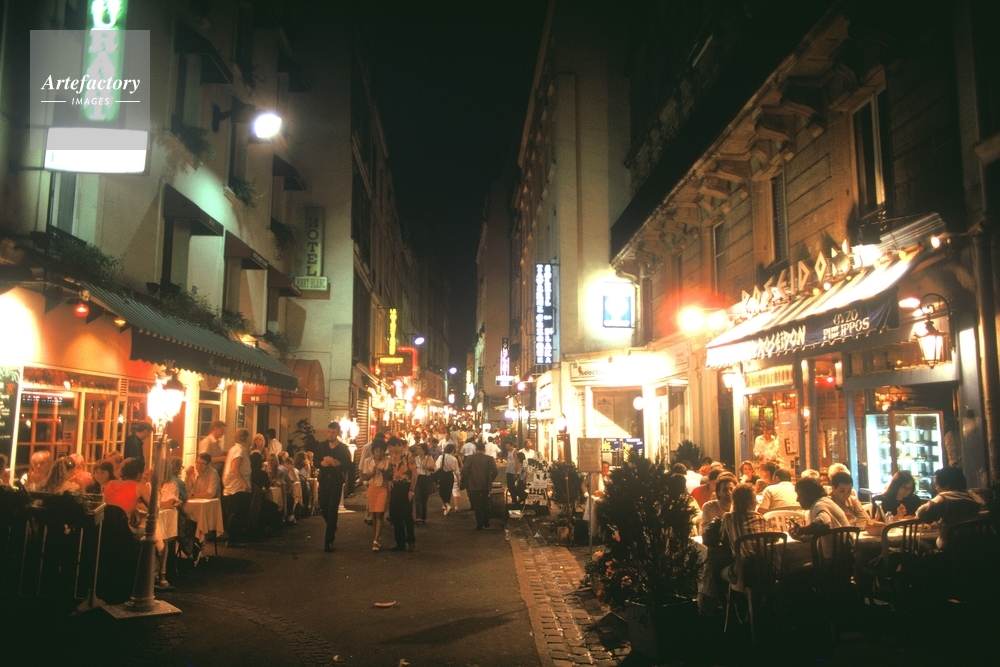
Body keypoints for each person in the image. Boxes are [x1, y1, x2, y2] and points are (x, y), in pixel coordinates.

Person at [915, 467, 985, 549]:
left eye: (936, 485)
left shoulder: (945, 497)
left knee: (918, 542)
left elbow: (922, 513)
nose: (936, 488)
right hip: (979, 545)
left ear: (947, 487)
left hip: (952, 547)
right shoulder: (974, 496)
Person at [719, 484, 769, 584]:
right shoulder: (761, 517)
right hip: (766, 569)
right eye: (754, 499)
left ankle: (732, 593)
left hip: (743, 571)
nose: (756, 502)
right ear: (750, 502)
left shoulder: (728, 517)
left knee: (720, 571)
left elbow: (723, 538)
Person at [316, 422, 353, 552]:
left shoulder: (343, 448)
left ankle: (328, 541)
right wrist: (321, 463)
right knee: (323, 507)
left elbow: (349, 465)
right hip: (324, 480)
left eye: (333, 432)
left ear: (338, 433)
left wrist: (338, 463)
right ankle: (332, 525)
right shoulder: (321, 447)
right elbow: (315, 462)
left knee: (332, 509)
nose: (330, 435)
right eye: (329, 432)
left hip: (336, 481)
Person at [788, 477, 850, 541]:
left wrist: (800, 530)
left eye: (800, 495)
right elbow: (817, 535)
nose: (797, 499)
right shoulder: (824, 502)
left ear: (810, 494)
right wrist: (799, 537)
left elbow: (822, 524)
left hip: (838, 548)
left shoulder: (819, 505)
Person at [387, 436, 417, 551]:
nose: (390, 450)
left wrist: (412, 489)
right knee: (396, 515)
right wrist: (391, 480)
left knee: (407, 515)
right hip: (396, 487)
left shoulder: (408, 456)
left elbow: (414, 473)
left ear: (397, 445)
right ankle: (400, 543)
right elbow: (391, 470)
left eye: (391, 447)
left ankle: (411, 541)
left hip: (406, 487)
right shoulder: (393, 456)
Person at [222, 428, 252, 541]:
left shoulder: (233, 449)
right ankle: (233, 538)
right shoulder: (239, 451)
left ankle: (233, 536)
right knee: (237, 513)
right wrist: (244, 483)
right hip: (237, 486)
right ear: (245, 438)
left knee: (233, 512)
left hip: (231, 485)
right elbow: (235, 468)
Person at [360, 440, 390, 551]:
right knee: (373, 515)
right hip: (372, 488)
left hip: (383, 488)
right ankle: (376, 537)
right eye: (377, 451)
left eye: (381, 451)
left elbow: (389, 477)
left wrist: (383, 471)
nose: (379, 453)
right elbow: (365, 477)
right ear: (373, 451)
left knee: (380, 514)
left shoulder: (387, 461)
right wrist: (372, 472)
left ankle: (376, 540)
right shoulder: (368, 461)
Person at [462, 440, 498, 530]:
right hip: (486, 484)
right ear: (484, 450)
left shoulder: (470, 458)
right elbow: (495, 471)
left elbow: (465, 470)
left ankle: (479, 523)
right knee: (486, 503)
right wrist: (490, 479)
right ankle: (486, 521)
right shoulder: (489, 459)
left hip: (473, 484)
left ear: (475, 449)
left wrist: (466, 480)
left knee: (477, 504)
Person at [413, 442, 435, 525]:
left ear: (424, 450)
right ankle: (418, 517)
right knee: (418, 498)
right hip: (418, 479)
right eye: (418, 449)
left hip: (426, 479)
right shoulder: (415, 459)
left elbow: (434, 469)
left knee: (424, 499)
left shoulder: (429, 458)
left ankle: (423, 517)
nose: (418, 450)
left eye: (419, 449)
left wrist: (428, 468)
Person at [437, 443, 460, 515]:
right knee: (448, 491)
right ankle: (447, 506)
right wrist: (459, 480)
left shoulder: (441, 457)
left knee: (441, 491)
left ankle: (447, 505)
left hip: (442, 475)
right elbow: (457, 471)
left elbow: (437, 467)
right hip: (450, 475)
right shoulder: (454, 458)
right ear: (452, 450)